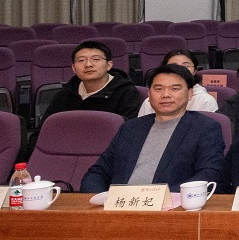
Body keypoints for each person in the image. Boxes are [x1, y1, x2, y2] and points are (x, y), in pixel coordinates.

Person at [80, 64, 226, 193]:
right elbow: (98, 171)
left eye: (175, 89)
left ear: (189, 94)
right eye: (158, 89)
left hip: (171, 206)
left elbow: (208, 174)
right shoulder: (130, 127)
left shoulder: (205, 128)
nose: (166, 95)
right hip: (119, 205)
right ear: (149, 94)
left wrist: (159, 198)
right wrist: (99, 197)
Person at [43, 40, 141, 122]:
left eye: (96, 59)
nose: (88, 65)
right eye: (81, 60)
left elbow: (128, 132)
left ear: (109, 65)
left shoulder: (126, 93)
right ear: (73, 68)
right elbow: (43, 130)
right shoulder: (64, 95)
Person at [135, 49, 218, 116]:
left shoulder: (206, 100)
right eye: (173, 65)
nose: (179, 70)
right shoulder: (151, 100)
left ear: (195, 71)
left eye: (186, 66)